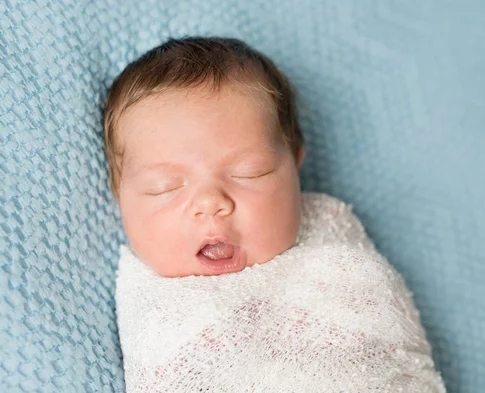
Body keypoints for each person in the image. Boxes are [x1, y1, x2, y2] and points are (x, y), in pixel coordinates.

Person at [105, 36, 446, 392]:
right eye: (165, 186)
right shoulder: (158, 312)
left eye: (250, 172)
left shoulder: (335, 245)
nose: (211, 202)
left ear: (295, 164)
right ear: (119, 191)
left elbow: (394, 348)